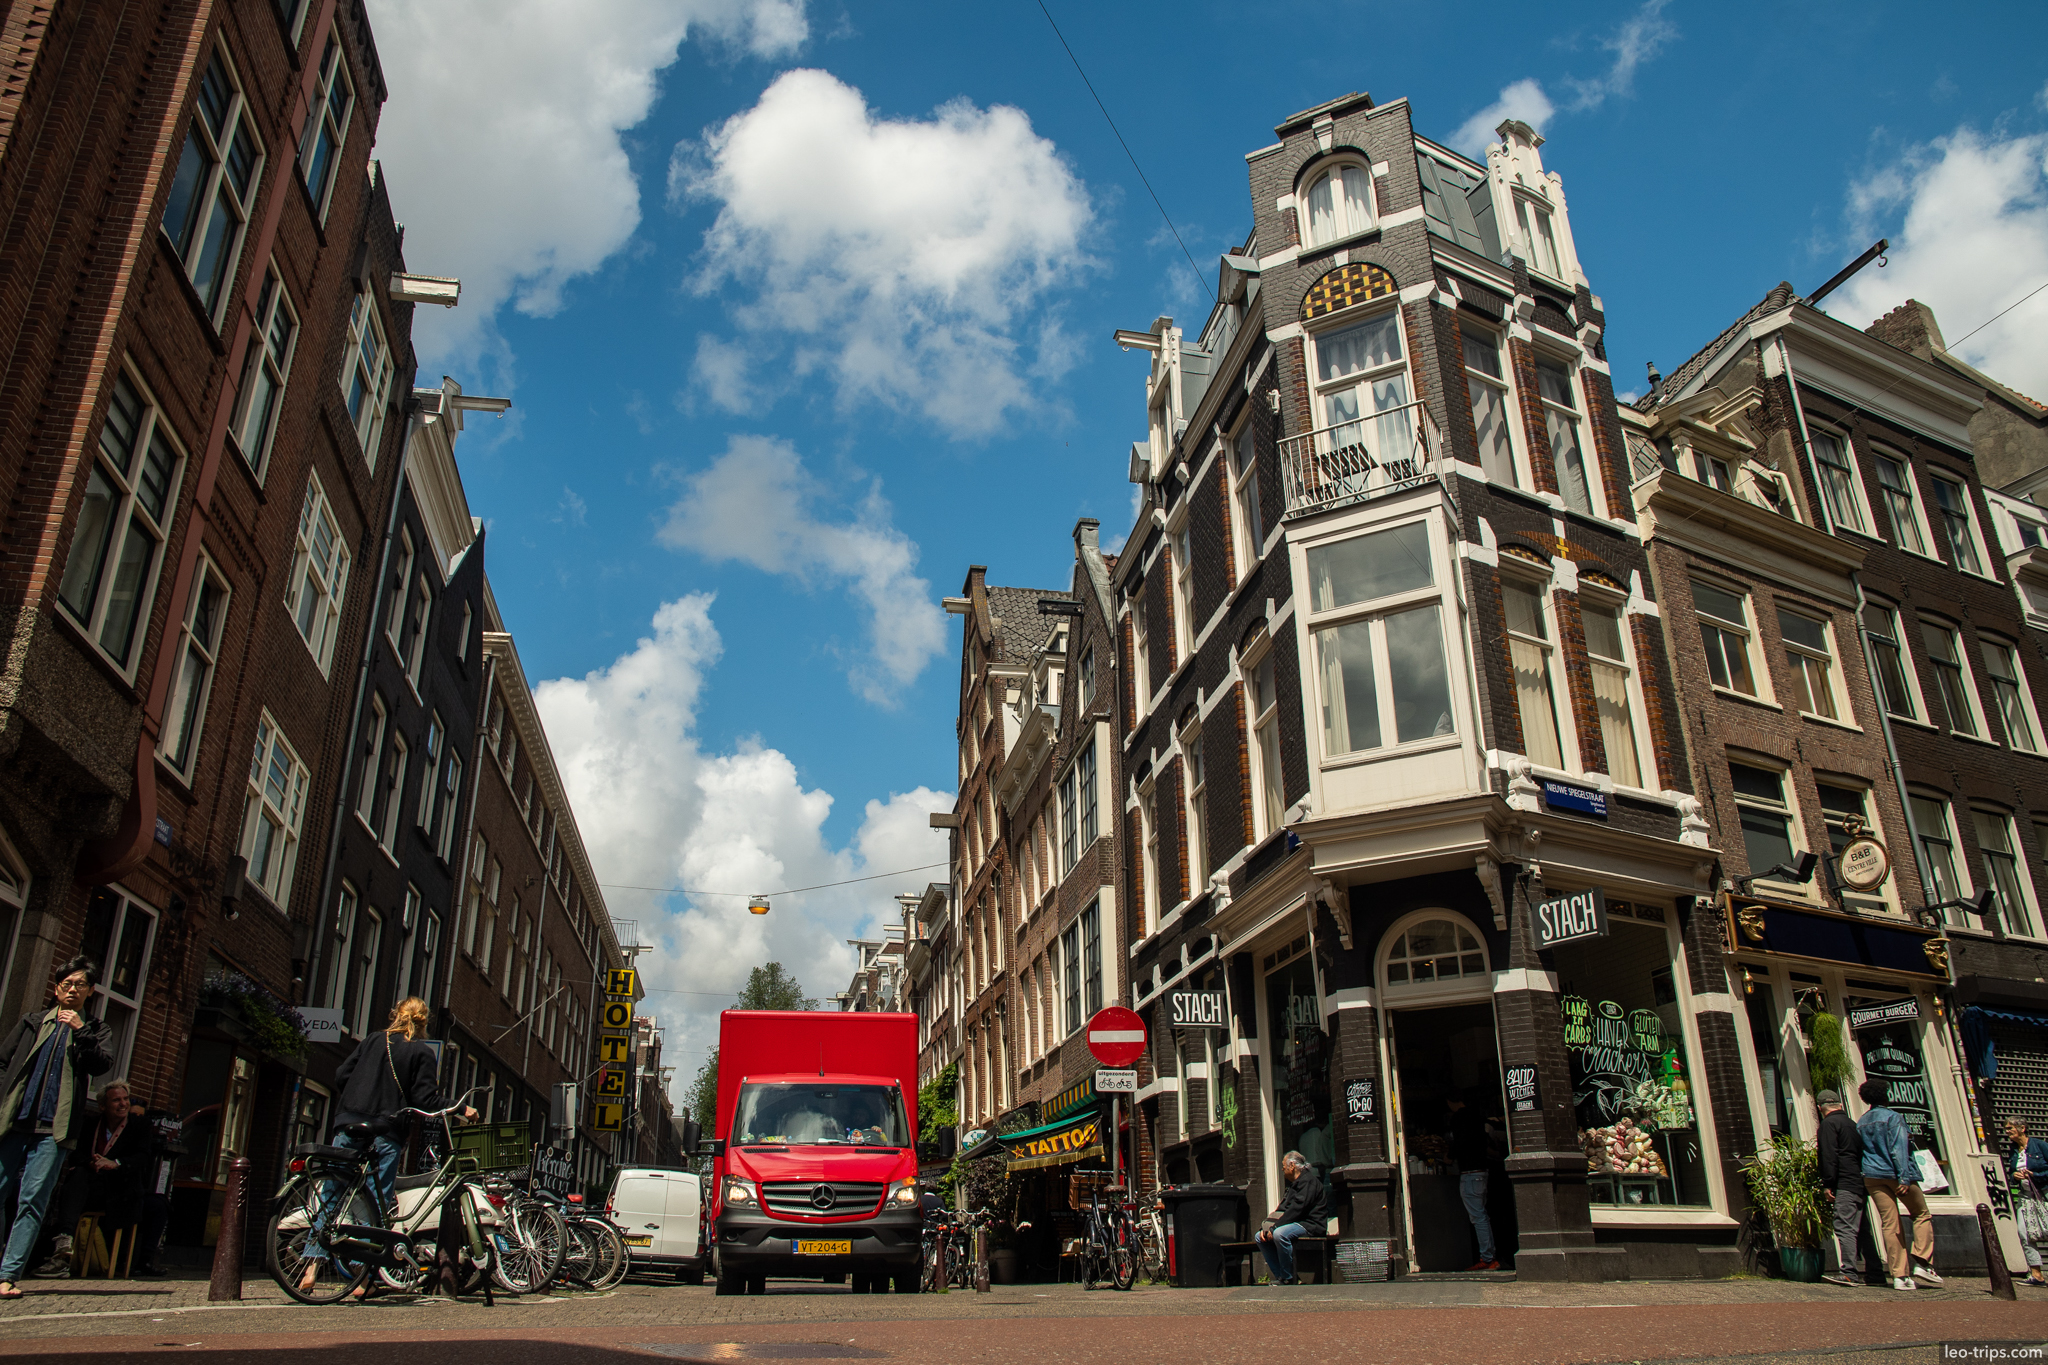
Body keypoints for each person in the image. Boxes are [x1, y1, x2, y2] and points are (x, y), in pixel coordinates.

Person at [304, 998, 473, 1292]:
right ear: (424, 1022)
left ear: (396, 1014)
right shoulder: (420, 1052)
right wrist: (460, 1109)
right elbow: (425, 1100)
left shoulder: (372, 1040)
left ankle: (311, 1266)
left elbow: (341, 1075)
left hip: (349, 1122)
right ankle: (362, 1277)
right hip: (385, 1130)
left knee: (332, 1193)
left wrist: (358, 1098)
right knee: (375, 1202)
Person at [0, 957, 114, 1299]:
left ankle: (8, 1275)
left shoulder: (96, 1029)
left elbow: (101, 1065)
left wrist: (81, 1031)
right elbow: (3, 1062)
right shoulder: (32, 1022)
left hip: (54, 1130)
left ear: (90, 991)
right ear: (56, 988)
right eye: (67, 984)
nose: (72, 989)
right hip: (14, 1122)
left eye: (80, 984)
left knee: (32, 1201)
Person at [31, 1078, 151, 1278]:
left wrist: (115, 1163)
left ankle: (62, 1247)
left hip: (121, 1192)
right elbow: (77, 1154)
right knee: (77, 1175)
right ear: (103, 1106)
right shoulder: (91, 1124)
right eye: (116, 1100)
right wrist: (92, 1162)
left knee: (77, 1187)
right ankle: (64, 1243)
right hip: (91, 1187)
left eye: (125, 1099)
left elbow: (143, 1157)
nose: (123, 1104)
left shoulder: (139, 1125)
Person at [1857, 1076, 1939, 1291]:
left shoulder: (1862, 1121)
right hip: (1895, 1174)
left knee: (1889, 1223)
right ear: (1885, 1096)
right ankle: (1923, 1262)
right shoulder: (1893, 1117)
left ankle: (1899, 1276)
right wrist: (1904, 1177)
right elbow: (1898, 1148)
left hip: (1872, 1176)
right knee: (1921, 1214)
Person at [1814, 1089, 1865, 1287]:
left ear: (1820, 1108)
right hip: (1858, 1181)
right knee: (1861, 1228)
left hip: (1843, 1182)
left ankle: (1849, 1272)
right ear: (1840, 1105)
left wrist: (1828, 1183)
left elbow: (1829, 1155)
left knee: (1844, 1226)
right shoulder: (1852, 1124)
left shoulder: (1829, 1124)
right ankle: (1875, 1272)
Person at [1446, 1093, 1502, 1271]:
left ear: (1450, 1101)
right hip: (1482, 1171)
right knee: (1482, 1215)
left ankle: (1488, 1258)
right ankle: (1490, 1256)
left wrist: (1449, 1157)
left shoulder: (1458, 1119)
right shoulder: (1477, 1116)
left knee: (1478, 1216)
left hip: (1470, 1172)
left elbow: (1457, 1143)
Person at [1256, 1150, 1328, 1285]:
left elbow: (1297, 1209)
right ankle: (1281, 1276)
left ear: (1292, 1166)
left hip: (1311, 1225)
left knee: (1280, 1234)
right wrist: (1265, 1228)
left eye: (1284, 1166)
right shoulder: (1294, 1185)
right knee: (1259, 1237)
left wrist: (1275, 1227)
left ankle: (1288, 1277)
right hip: (1296, 1223)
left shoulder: (1309, 1182)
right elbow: (1282, 1210)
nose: (1282, 1169)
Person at [2007, 1117, 2048, 1287]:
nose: (2007, 1131)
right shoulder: (2013, 1150)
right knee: (2024, 1233)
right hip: (2025, 1197)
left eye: (2010, 1128)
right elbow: (2011, 1172)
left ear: (2022, 1128)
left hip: (2044, 1194)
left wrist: (2034, 1175)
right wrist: (2014, 1176)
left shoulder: (2040, 1146)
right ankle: (2037, 1275)